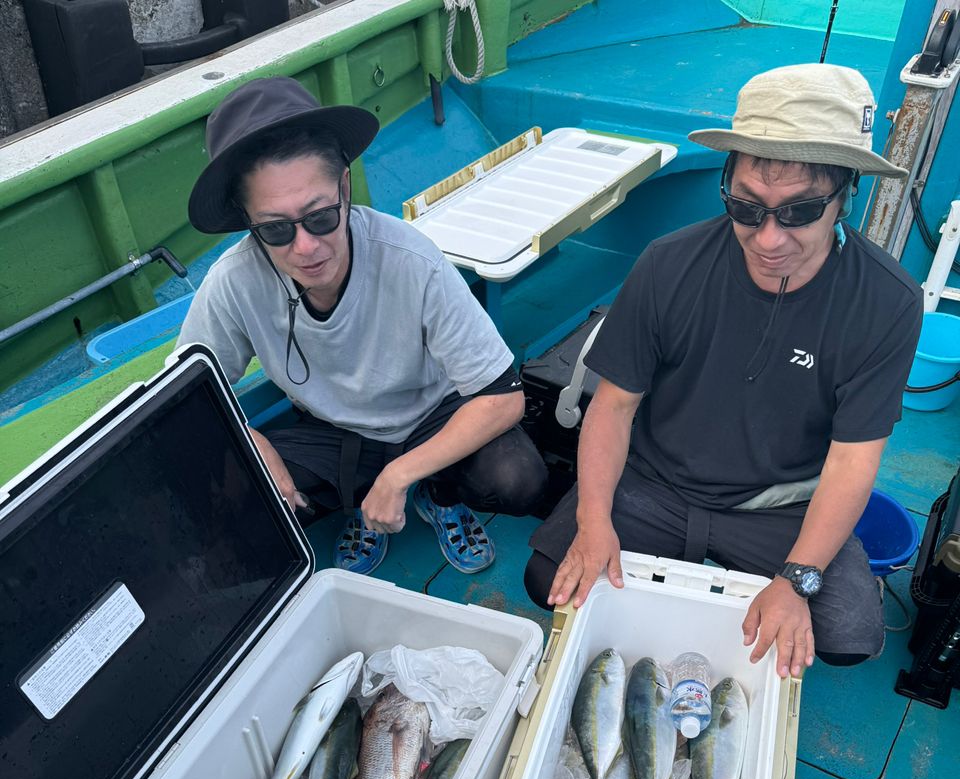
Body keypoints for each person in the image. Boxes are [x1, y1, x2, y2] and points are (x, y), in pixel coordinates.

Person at [524, 63, 923, 678]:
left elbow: (852, 460)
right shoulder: (667, 264)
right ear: (726, 185)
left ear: (846, 197)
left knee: (848, 635)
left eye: (800, 213)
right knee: (547, 577)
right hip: (656, 484)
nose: (767, 239)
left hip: (780, 505)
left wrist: (797, 577)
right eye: (746, 207)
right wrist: (593, 519)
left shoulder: (888, 302)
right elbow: (613, 405)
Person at [180, 76, 546, 574]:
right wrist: (252, 438)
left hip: (430, 413)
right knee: (226, 499)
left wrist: (398, 475)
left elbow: (502, 396)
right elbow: (186, 394)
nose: (305, 248)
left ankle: (436, 495)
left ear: (345, 187)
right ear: (247, 221)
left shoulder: (411, 260)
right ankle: (358, 505)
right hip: (332, 432)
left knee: (517, 479)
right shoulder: (234, 282)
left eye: (320, 216)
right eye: (275, 229)